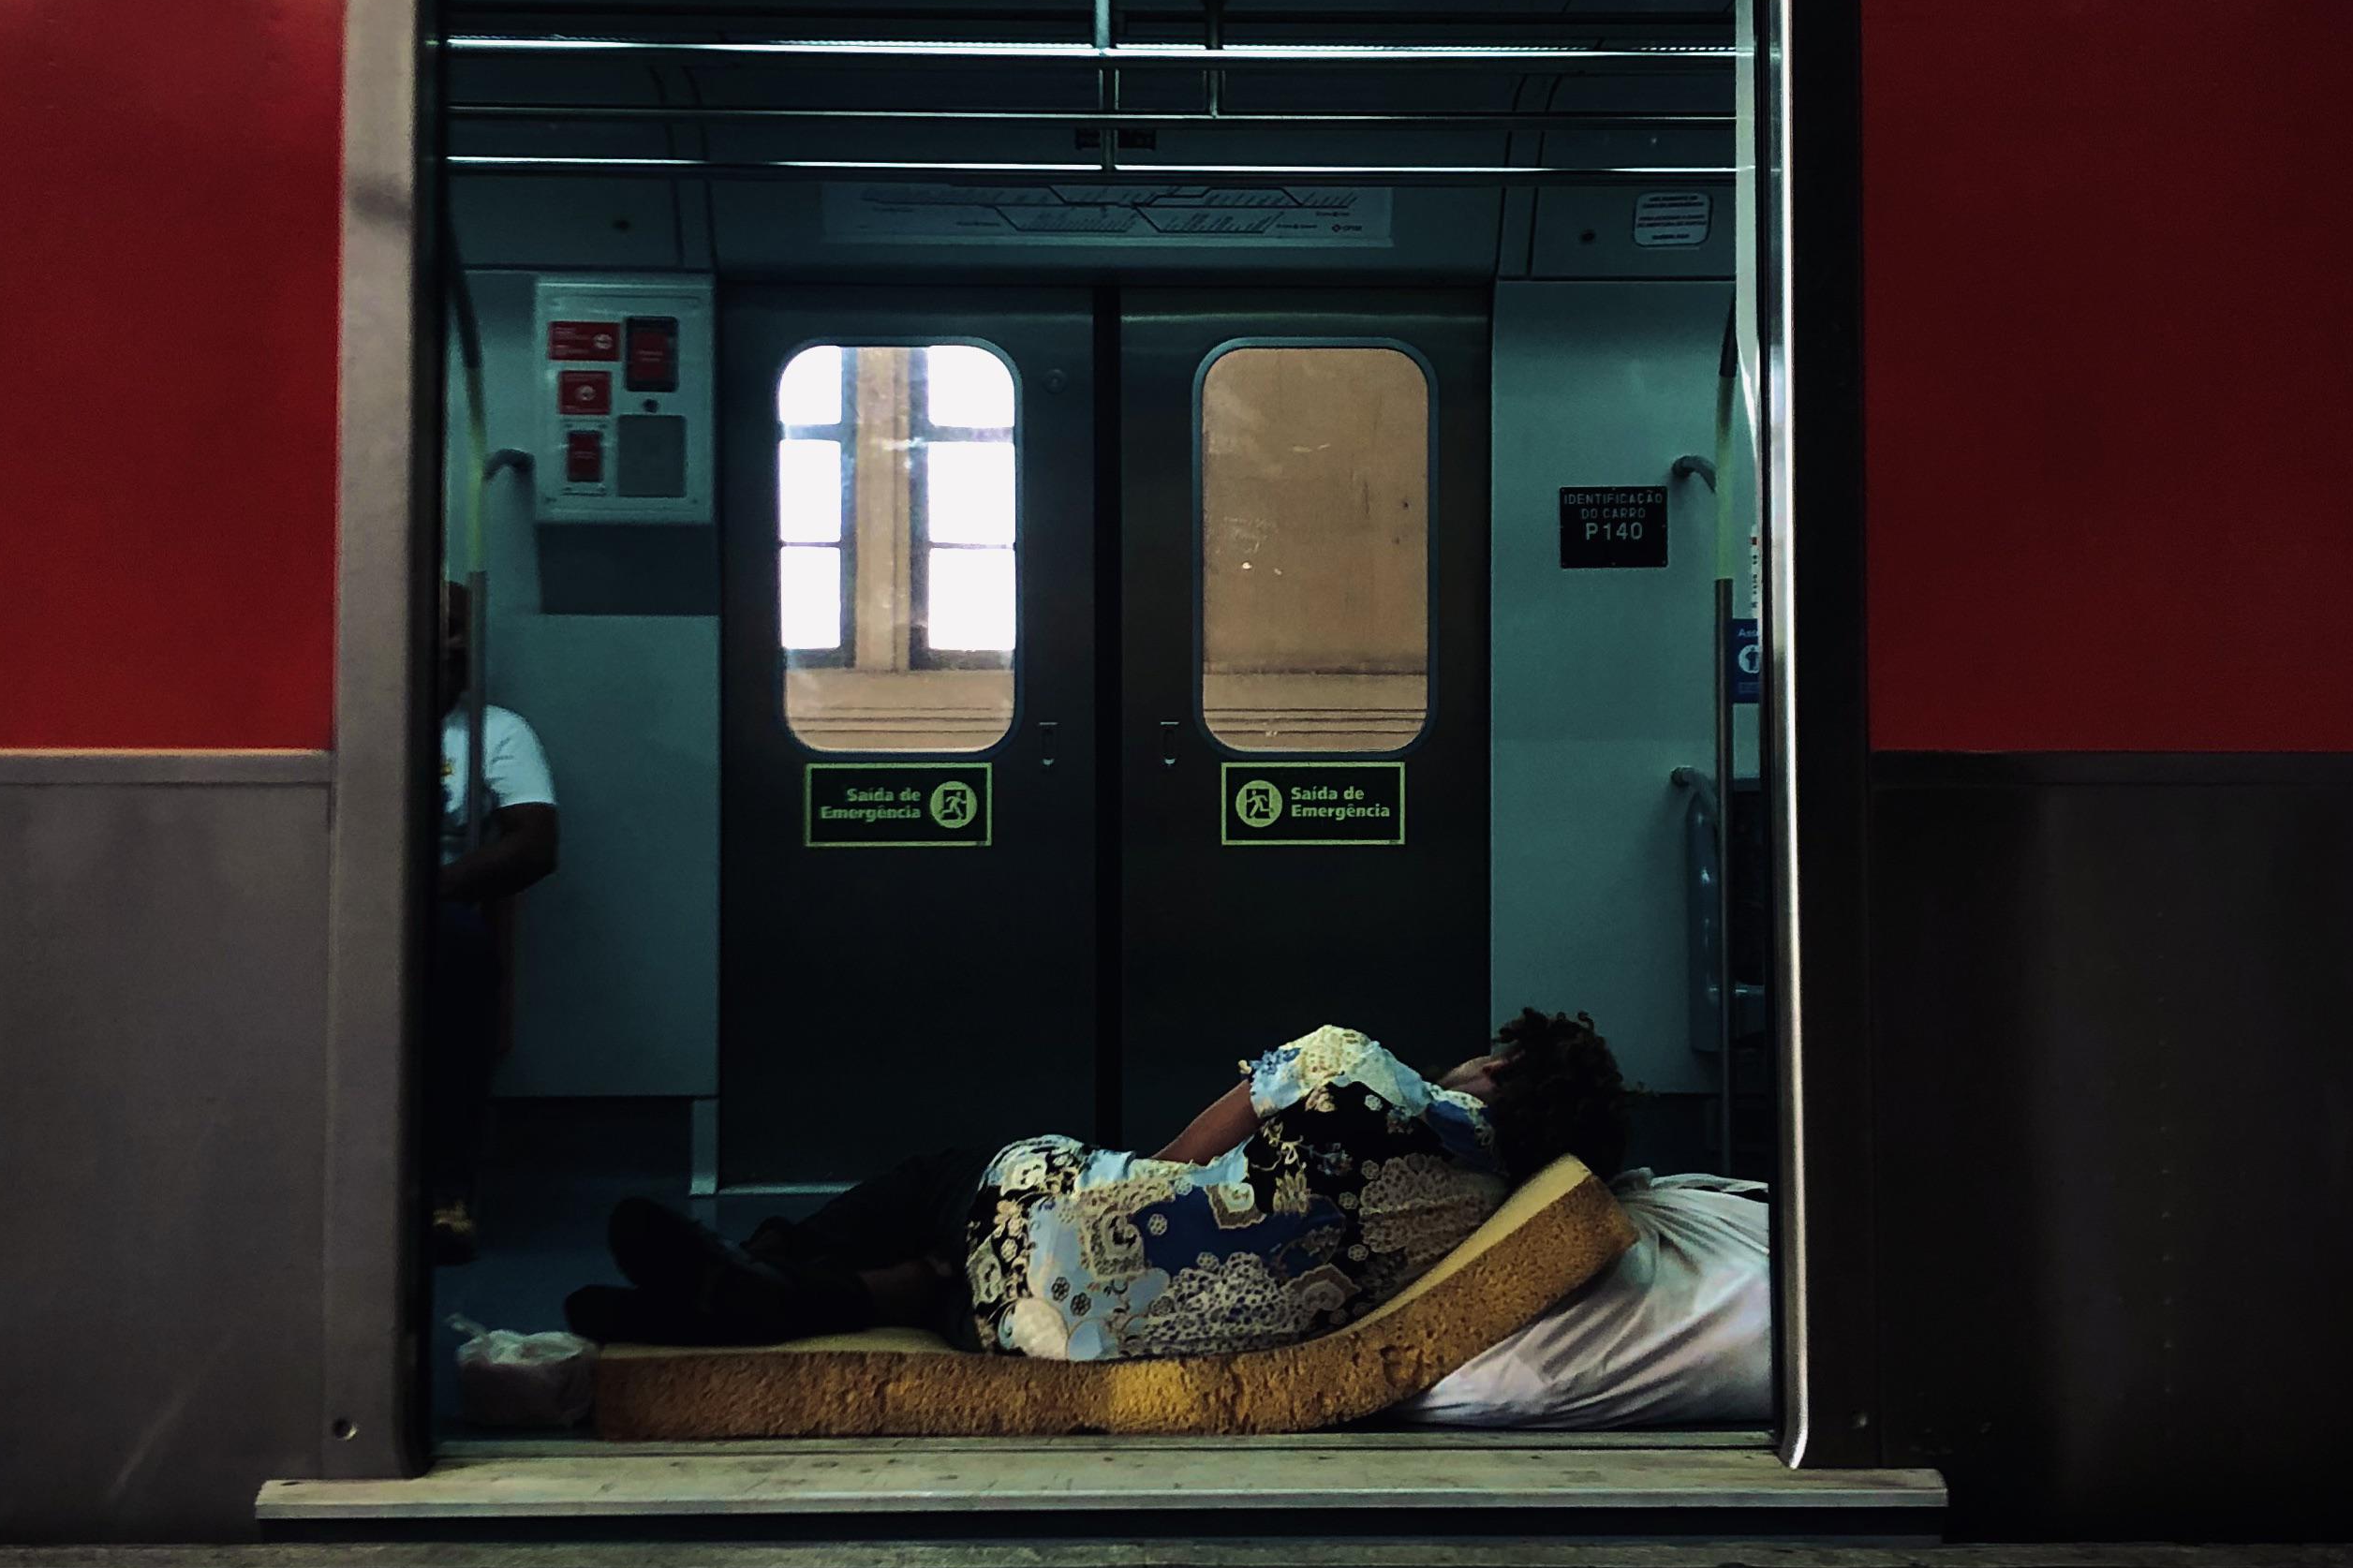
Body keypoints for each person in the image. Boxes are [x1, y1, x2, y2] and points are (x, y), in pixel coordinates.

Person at [566, 1011, 1625, 1358]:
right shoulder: (1485, 1206)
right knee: (947, 1276)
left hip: (1039, 1245)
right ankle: (762, 1298)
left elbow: (1170, 1165)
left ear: (1499, 1069)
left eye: (1490, 1050)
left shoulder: (1352, 1057)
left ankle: (761, 1264)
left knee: (961, 1178)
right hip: (1075, 1340)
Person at [427, 581, 558, 1263]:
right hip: (335, 899)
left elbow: (535, 843)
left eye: (458, 638)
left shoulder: (495, 730)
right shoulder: (355, 715)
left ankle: (446, 1190)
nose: (448, 649)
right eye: (436, 631)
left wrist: (424, 893)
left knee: (459, 949)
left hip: (437, 909)